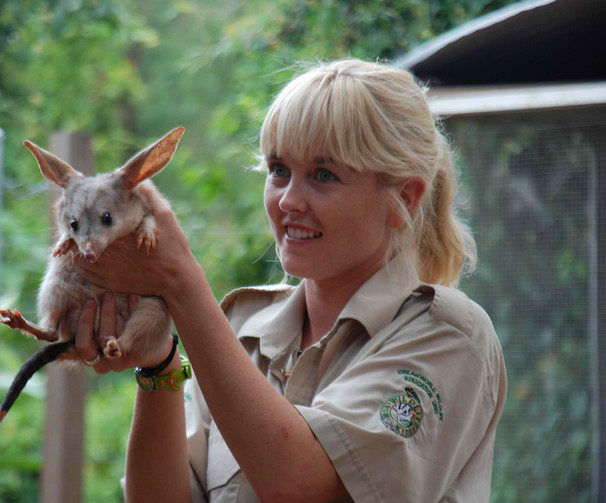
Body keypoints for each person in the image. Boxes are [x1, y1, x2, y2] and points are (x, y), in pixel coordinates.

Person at [74, 58, 507, 502]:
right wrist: (160, 364)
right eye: (279, 170)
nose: (289, 201)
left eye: (324, 175)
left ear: (403, 198)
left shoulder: (448, 335)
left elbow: (303, 486)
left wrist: (181, 284)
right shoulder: (241, 329)